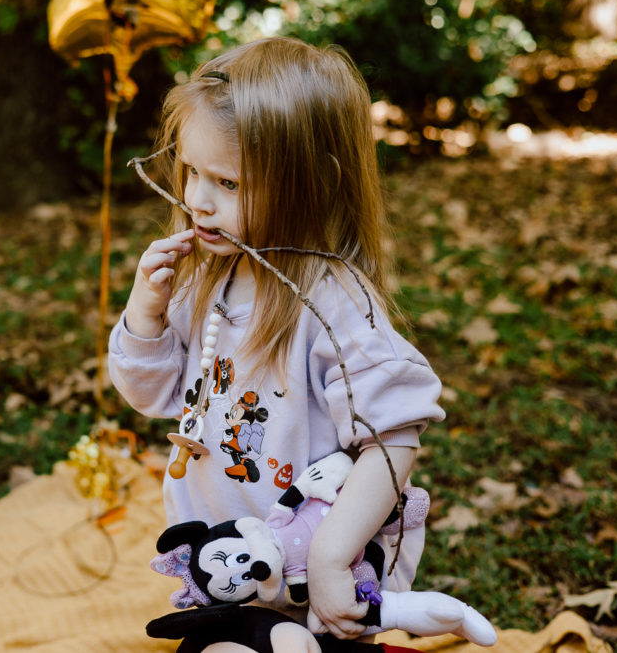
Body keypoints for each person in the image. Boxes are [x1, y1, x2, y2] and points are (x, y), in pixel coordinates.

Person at [108, 37, 446, 651]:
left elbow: (395, 437)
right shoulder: (206, 277)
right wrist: (146, 316)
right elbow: (153, 397)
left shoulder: (334, 302)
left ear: (311, 184)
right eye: (190, 172)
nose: (197, 202)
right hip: (232, 568)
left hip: (315, 579)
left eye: (229, 183)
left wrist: (331, 559)